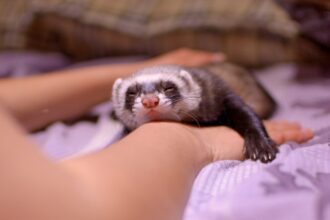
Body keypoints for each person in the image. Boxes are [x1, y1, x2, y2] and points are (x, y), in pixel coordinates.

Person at [0, 48, 313, 220]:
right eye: (134, 94)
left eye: (165, 89)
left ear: (189, 87)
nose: (149, 100)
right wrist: (193, 139)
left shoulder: (214, 93)